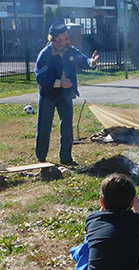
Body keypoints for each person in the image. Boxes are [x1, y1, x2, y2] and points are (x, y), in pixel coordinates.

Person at [35, 21, 99, 166]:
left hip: (65, 94)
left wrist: (92, 62)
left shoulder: (70, 50)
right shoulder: (45, 54)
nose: (67, 40)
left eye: (67, 36)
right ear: (55, 38)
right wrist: (59, 83)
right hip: (49, 94)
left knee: (67, 125)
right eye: (63, 37)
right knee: (44, 126)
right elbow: (40, 77)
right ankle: (41, 158)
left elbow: (83, 60)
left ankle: (66, 158)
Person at [83, 173, 139, 270]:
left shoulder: (92, 219)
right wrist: (133, 196)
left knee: (90, 238)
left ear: (101, 202)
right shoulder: (137, 220)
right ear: (132, 202)